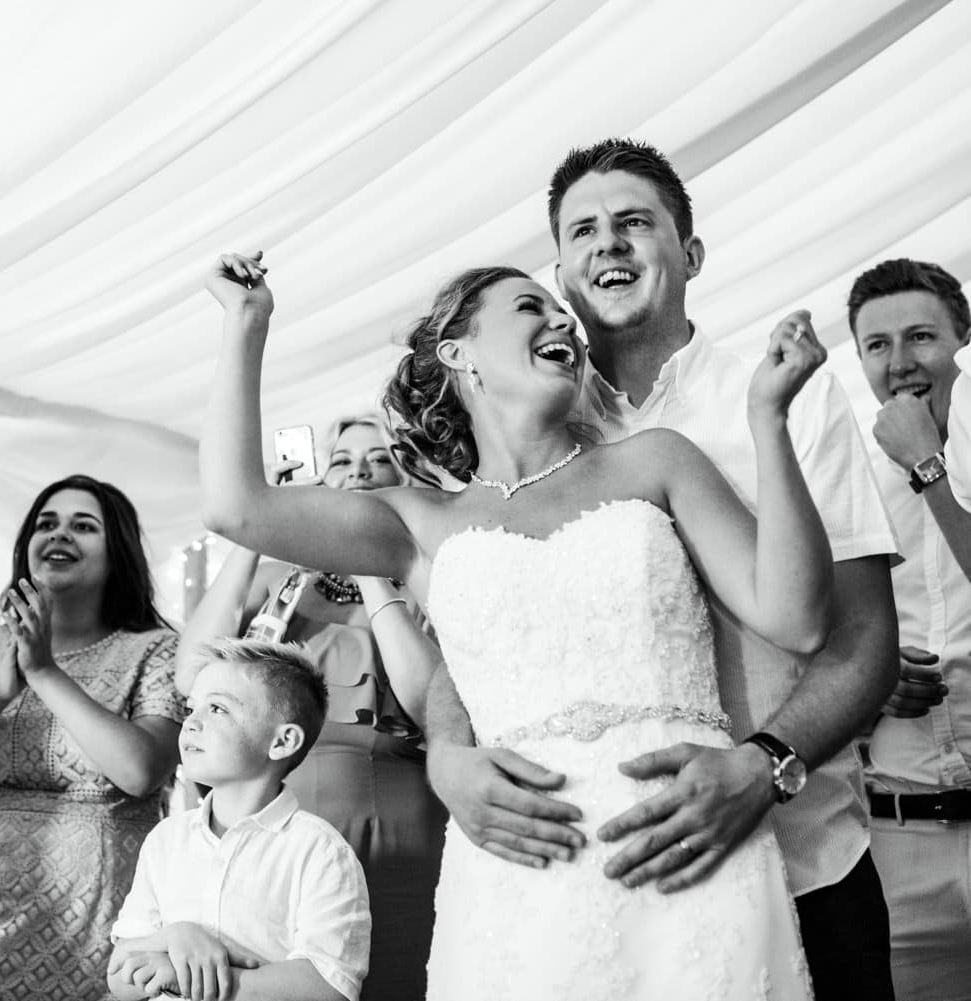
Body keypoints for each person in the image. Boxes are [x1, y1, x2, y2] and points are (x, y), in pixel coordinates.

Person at [200, 250, 827, 997]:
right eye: (532, 308)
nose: (563, 318)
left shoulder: (656, 460)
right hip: (516, 868)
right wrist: (247, 323)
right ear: (459, 354)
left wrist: (769, 419)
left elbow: (796, 617)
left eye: (560, 313)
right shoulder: (418, 520)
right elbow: (236, 506)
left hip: (684, 839)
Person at [422, 139, 900, 999]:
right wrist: (446, 754)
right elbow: (479, 629)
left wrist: (765, 761)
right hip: (592, 889)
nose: (609, 243)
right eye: (584, 232)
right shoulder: (520, 416)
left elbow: (865, 636)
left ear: (691, 253)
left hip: (805, 855)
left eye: (635, 222)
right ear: (563, 277)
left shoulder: (788, 394)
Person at [176, 415, 443, 1001]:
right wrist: (257, 530)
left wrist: (371, 556)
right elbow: (191, 674)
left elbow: (429, 703)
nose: (360, 472)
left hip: (399, 820)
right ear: (318, 482)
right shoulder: (276, 583)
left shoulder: (426, 573)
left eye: (379, 460)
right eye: (343, 462)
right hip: (274, 820)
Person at [0, 474, 184, 1001]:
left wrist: (45, 672)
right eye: (46, 524)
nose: (59, 535)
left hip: (101, 931)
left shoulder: (157, 651)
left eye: (84, 526)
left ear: (116, 552)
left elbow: (142, 772)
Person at [108, 638, 371, 1001]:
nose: (191, 724)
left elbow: (330, 987)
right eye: (190, 709)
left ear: (282, 742)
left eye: (216, 708)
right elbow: (119, 978)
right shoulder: (166, 840)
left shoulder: (320, 851)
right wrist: (174, 936)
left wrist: (190, 978)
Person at [847, 258, 971, 1001]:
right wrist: (870, 669)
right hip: (897, 838)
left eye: (921, 336)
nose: (900, 364)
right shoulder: (840, 477)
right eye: (876, 345)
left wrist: (930, 466)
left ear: (963, 338)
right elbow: (796, 638)